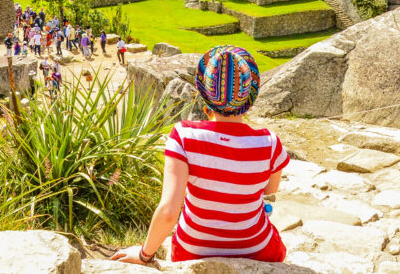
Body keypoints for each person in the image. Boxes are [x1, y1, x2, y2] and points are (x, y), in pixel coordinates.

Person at [112, 46, 288, 265]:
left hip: (193, 250)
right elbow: (270, 190)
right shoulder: (270, 143)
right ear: (249, 97)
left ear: (204, 94)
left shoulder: (184, 136)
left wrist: (143, 255)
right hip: (255, 248)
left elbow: (169, 211)